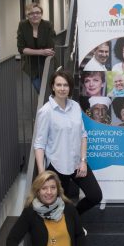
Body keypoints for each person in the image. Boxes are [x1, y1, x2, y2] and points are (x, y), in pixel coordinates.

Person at [35, 70, 103, 213]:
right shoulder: (46, 111)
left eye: (65, 85)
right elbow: (39, 145)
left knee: (95, 195)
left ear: (70, 87)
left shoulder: (75, 106)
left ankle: (74, 219)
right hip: (57, 165)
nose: (62, 88)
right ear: (52, 86)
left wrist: (83, 161)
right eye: (58, 85)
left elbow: (83, 135)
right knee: (59, 208)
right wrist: (42, 174)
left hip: (77, 163)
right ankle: (69, 226)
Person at [17, 2, 57, 92]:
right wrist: (41, 52)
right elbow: (21, 49)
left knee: (51, 90)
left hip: (48, 63)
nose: (35, 15)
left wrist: (31, 51)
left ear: (41, 14)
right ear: (27, 15)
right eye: (31, 13)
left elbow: (50, 49)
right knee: (40, 91)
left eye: (37, 13)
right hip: (32, 66)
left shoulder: (47, 25)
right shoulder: (23, 26)